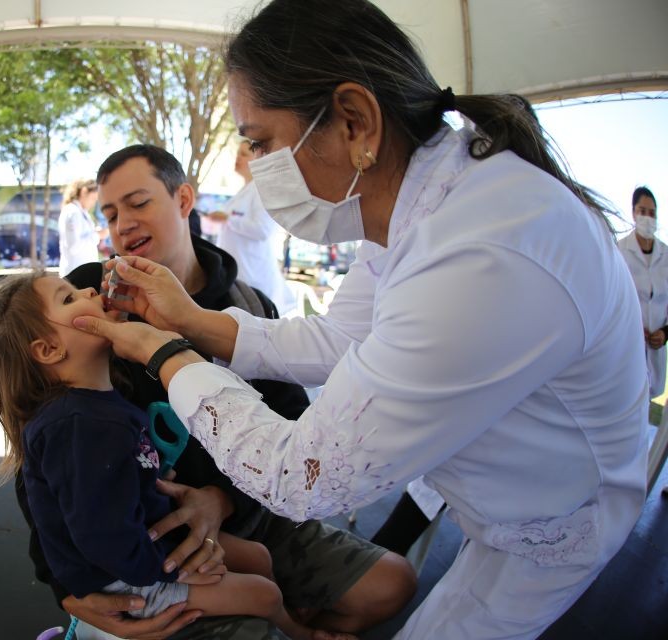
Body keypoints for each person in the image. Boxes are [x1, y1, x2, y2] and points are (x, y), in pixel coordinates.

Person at [70, 2, 649, 639]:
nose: (258, 168)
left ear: (354, 121)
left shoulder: (481, 255)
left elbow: (301, 477)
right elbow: (342, 337)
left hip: (551, 521)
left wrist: (165, 350)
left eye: (261, 142)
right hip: (506, 501)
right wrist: (194, 322)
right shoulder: (420, 205)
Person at [18, 144, 415, 640]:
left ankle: (286, 615)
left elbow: (295, 422)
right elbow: (35, 455)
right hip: (157, 537)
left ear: (184, 199)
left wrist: (221, 499)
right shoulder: (89, 310)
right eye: (111, 213)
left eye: (139, 203)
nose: (122, 226)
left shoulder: (247, 303)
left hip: (254, 516)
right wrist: (66, 587)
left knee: (391, 583)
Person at [0, 272, 355, 640]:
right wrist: (171, 570)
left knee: (256, 557)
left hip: (145, 538)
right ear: (49, 349)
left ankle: (278, 615)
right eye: (69, 298)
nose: (89, 292)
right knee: (262, 592)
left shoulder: (98, 406)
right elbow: (101, 538)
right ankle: (299, 630)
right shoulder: (77, 425)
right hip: (124, 575)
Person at [213, 141, 296, 315]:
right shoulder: (243, 191)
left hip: (253, 276)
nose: (238, 158)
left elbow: (262, 230)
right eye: (237, 153)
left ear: (258, 160)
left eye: (244, 154)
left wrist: (229, 219)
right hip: (237, 273)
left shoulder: (263, 191)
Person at [617, 187, 666, 399]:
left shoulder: (666, 256)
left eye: (652, 212)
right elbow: (614, 299)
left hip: (656, 347)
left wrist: (665, 333)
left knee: (647, 398)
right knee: (624, 395)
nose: (647, 217)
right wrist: (633, 326)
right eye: (642, 211)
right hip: (627, 341)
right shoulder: (619, 251)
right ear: (633, 213)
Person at [59, 178, 102, 276]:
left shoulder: (81, 212)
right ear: (84, 192)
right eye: (93, 198)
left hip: (82, 272)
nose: (94, 203)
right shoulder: (72, 212)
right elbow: (73, 246)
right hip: (75, 273)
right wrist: (97, 235)